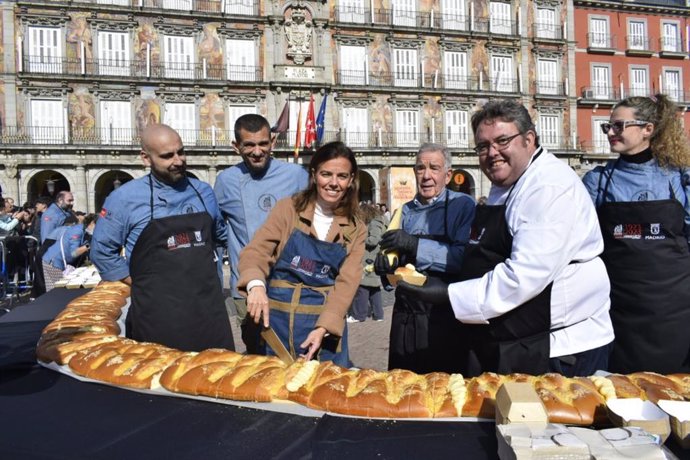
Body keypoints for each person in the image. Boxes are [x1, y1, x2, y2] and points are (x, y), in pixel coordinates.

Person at [396, 100, 614, 377]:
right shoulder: (509, 181)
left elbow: (524, 276)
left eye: (502, 141)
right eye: (483, 146)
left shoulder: (548, 187)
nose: (492, 153)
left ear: (528, 139)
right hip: (512, 333)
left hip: (557, 347)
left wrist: (449, 295)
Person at [90, 124, 234, 352]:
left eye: (181, 152)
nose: (178, 161)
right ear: (146, 158)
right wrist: (138, 282)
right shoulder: (124, 198)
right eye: (167, 156)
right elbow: (101, 251)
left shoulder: (203, 191)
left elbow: (221, 236)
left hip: (208, 309)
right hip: (157, 313)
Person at [583, 94, 690, 374]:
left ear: (648, 129)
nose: (610, 133)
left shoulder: (679, 178)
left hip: (674, 309)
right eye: (608, 127)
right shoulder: (598, 181)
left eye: (619, 126)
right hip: (619, 308)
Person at [237, 141, 366, 366]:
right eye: (326, 174)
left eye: (342, 176)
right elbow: (257, 250)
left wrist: (324, 327)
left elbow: (347, 283)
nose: (333, 183)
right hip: (276, 324)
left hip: (321, 328)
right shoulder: (288, 209)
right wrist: (255, 284)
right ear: (314, 175)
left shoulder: (356, 228)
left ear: (351, 180)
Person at [374, 143, 476, 374]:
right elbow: (397, 263)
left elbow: (462, 258)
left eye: (434, 168)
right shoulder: (405, 210)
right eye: (420, 168)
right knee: (403, 384)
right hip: (406, 316)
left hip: (442, 317)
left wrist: (414, 244)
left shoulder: (463, 206)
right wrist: (387, 269)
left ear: (448, 175)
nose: (427, 176)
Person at [214, 114, 308, 354]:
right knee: (257, 357)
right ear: (236, 147)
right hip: (245, 288)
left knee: (294, 354)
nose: (257, 151)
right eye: (249, 145)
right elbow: (217, 229)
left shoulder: (297, 176)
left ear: (273, 142)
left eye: (263, 144)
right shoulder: (225, 181)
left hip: (289, 285)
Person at [347, 203, 386, 323]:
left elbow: (373, 239)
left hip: (370, 259)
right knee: (374, 288)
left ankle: (359, 315)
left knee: (362, 287)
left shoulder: (374, 223)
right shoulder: (379, 221)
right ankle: (378, 314)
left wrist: (360, 239)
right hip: (374, 258)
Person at [41, 214, 97, 291]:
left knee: (59, 290)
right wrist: (88, 246)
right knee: (57, 291)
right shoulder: (77, 231)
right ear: (92, 223)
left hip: (61, 262)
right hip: (54, 262)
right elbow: (73, 253)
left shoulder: (85, 232)